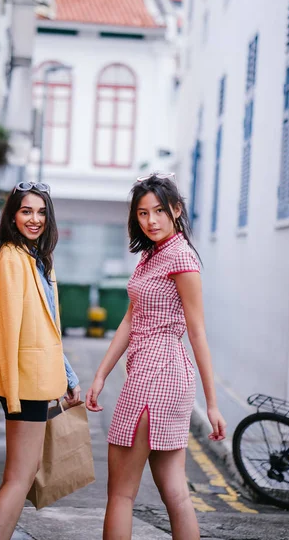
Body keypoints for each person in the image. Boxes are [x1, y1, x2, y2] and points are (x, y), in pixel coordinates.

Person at [86, 173, 226, 540]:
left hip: (157, 373)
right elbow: (131, 319)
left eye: (160, 211)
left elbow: (197, 332)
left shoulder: (180, 257)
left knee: (120, 493)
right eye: (143, 213)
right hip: (157, 372)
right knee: (174, 490)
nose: (151, 221)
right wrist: (101, 374)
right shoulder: (152, 254)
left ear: (176, 211)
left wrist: (211, 404)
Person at [0, 181, 81, 540]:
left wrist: (68, 376)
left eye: (41, 212)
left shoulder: (37, 258)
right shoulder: (11, 257)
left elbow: (49, 326)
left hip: (36, 379)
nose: (34, 219)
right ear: (13, 216)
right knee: (19, 477)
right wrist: (14, 394)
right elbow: (6, 330)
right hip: (23, 382)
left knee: (24, 473)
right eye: (26, 211)